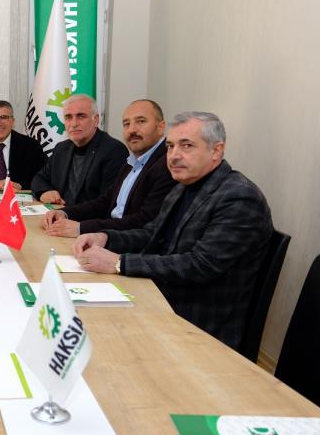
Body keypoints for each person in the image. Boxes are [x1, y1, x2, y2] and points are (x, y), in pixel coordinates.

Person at [72, 111, 273, 348]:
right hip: (160, 298)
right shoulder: (183, 186)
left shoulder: (239, 197)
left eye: (186, 146)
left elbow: (200, 265)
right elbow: (151, 233)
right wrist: (105, 238)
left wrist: (119, 263)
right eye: (170, 146)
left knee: (94, 333)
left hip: (198, 324)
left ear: (216, 151)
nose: (174, 156)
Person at [42, 99, 176, 237]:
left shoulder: (168, 164)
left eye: (141, 121)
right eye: (126, 124)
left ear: (161, 127)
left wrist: (81, 228)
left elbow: (144, 221)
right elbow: (106, 201)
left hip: (124, 243)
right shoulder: (133, 162)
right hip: (107, 236)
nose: (132, 130)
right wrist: (65, 212)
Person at [31, 94, 127, 206]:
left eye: (81, 116)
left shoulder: (114, 150)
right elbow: (39, 178)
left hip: (86, 216)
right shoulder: (61, 149)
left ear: (96, 120)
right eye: (68, 117)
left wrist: (66, 213)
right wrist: (45, 191)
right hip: (59, 212)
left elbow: (106, 203)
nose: (74, 124)